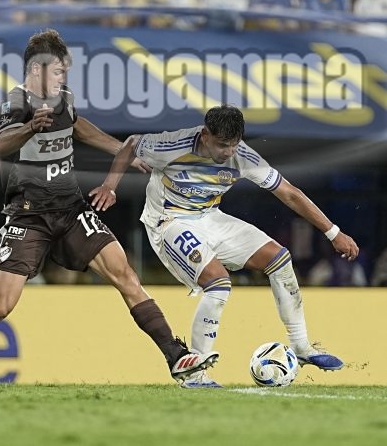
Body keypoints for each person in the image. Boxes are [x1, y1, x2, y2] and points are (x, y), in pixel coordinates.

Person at [0, 29, 217, 388]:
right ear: (36, 70)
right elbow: (2, 144)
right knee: (0, 306)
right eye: (58, 71)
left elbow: (80, 128)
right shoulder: (16, 102)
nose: (63, 76)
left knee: (125, 275)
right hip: (28, 215)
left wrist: (123, 152)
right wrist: (30, 127)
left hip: (70, 210)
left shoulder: (63, 98)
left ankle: (176, 357)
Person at [90, 104, 359, 389]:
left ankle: (302, 346)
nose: (228, 152)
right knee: (219, 283)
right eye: (222, 145)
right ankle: (194, 373)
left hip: (210, 217)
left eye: (234, 144)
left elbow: (290, 194)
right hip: (169, 221)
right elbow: (132, 144)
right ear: (205, 135)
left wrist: (333, 232)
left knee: (280, 259)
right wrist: (109, 186)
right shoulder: (173, 144)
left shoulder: (243, 157)